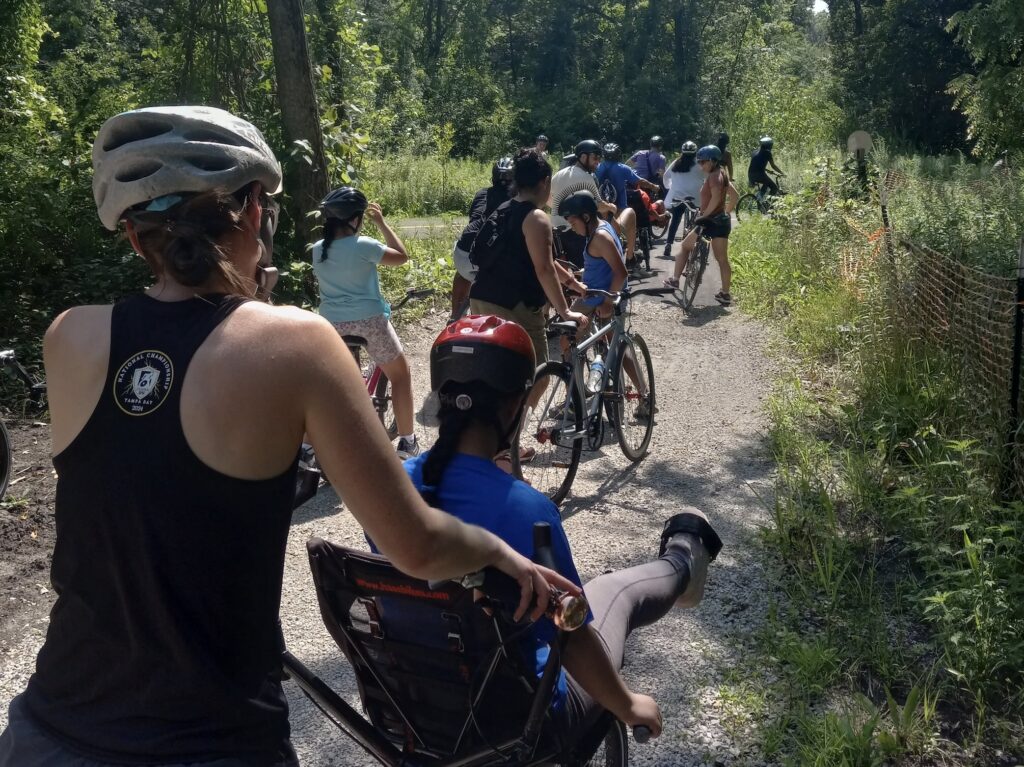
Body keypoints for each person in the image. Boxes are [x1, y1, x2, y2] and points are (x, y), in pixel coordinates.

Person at [0, 105, 575, 767]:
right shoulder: (299, 345)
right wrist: (504, 555)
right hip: (211, 743)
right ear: (252, 213)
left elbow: (149, 485)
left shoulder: (68, 335)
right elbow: (414, 542)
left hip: (46, 731)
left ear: (134, 238)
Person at [384, 315, 722, 743]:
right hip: (521, 723)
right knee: (616, 595)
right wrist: (627, 704)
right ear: (516, 407)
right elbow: (571, 636)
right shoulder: (528, 510)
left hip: (416, 709)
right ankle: (683, 554)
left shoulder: (393, 497)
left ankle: (682, 556)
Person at [470, 148, 590, 393]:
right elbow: (544, 269)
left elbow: (547, 260)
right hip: (514, 305)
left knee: (496, 368)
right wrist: (565, 311)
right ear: (545, 182)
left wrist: (572, 284)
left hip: (481, 298)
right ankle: (513, 427)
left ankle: (496, 421)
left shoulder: (503, 209)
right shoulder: (537, 218)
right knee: (539, 374)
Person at [313, 187, 421, 458]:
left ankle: (307, 448)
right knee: (400, 375)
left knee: (327, 385)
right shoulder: (364, 246)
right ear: (355, 219)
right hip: (369, 322)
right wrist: (382, 223)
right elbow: (401, 256)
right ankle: (407, 442)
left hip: (330, 325)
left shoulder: (317, 250)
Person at [558, 191, 654, 419]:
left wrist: (609, 301)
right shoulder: (601, 228)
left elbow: (620, 271)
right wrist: (584, 273)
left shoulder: (599, 237)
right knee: (617, 347)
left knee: (566, 340)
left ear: (586, 217)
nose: (572, 228)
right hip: (597, 293)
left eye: (573, 222)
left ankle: (574, 400)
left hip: (600, 298)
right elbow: (603, 264)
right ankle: (644, 396)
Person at [665, 145, 736, 306]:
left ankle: (675, 280)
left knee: (684, 246)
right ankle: (725, 294)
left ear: (712, 161)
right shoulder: (722, 174)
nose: (700, 165)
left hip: (708, 221)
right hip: (721, 221)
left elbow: (716, 197)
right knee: (722, 259)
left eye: (703, 162)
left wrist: (704, 215)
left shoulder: (713, 177)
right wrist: (726, 212)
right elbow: (735, 196)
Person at [449, 157, 515, 320]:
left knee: (462, 273)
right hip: (487, 257)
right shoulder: (516, 200)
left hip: (463, 253)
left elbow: (473, 219)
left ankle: (455, 316)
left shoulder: (481, 193)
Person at [550, 139, 618, 268]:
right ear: (583, 156)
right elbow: (599, 205)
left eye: (599, 158)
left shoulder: (559, 174)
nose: (598, 162)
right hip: (576, 231)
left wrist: (559, 208)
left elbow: (549, 196)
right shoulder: (586, 178)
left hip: (557, 231)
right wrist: (611, 207)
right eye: (595, 157)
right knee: (588, 269)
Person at [596, 143, 659, 269]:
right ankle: (630, 256)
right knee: (631, 216)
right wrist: (654, 187)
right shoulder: (623, 168)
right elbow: (640, 181)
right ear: (618, 155)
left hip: (600, 210)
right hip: (619, 209)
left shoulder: (597, 168)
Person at [661, 141, 703, 259]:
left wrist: (669, 187)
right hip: (695, 198)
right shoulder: (700, 164)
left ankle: (668, 245)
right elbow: (707, 177)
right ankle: (696, 244)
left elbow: (665, 176)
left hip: (677, 197)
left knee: (675, 220)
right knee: (699, 218)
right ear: (695, 153)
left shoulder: (676, 163)